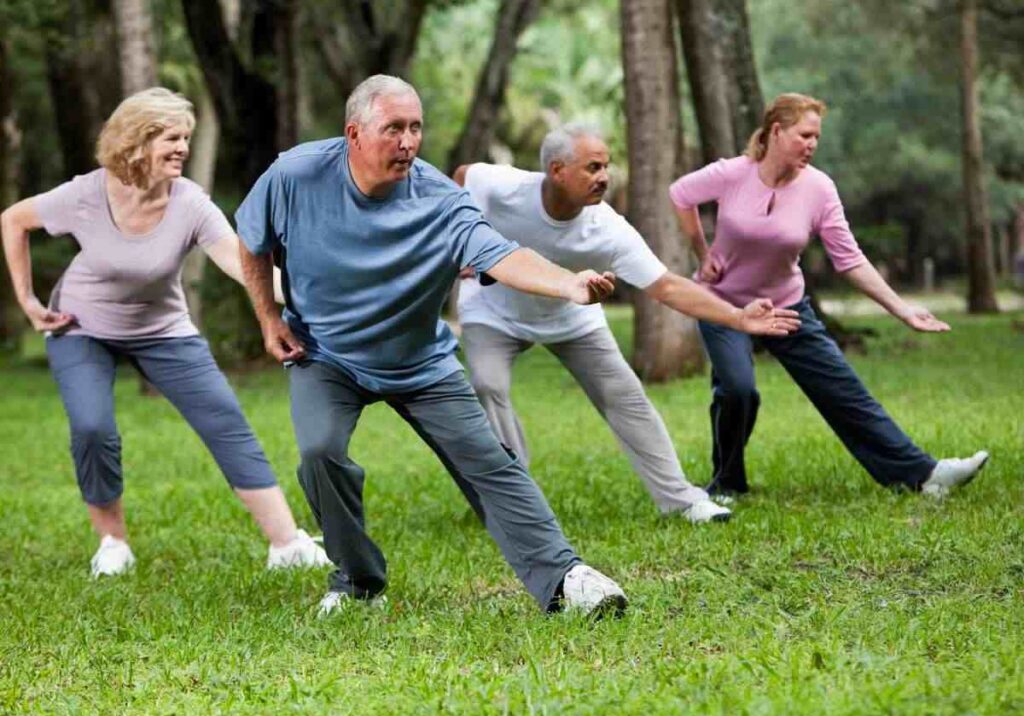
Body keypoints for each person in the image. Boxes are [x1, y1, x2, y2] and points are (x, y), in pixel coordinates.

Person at [235, 75, 628, 617]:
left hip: (419, 361)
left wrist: (568, 284)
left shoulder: (441, 199)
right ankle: (357, 582)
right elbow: (251, 240)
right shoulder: (295, 175)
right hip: (325, 353)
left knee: (491, 462)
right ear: (353, 133)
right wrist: (267, 316)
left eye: (416, 127)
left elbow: (500, 253)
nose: (408, 141)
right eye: (393, 128)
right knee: (319, 452)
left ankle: (566, 578)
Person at [0, 87, 329, 577]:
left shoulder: (190, 203)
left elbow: (244, 267)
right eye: (171, 138)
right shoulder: (87, 194)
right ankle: (113, 542)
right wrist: (27, 300)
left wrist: (316, 295)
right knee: (92, 428)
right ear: (136, 141)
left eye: (186, 138)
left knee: (225, 420)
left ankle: (287, 543)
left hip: (162, 328)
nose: (182, 148)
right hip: (81, 324)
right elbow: (14, 219)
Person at [452, 124, 800, 524]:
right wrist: (465, 238)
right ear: (557, 170)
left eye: (607, 166)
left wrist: (738, 316)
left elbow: (667, 286)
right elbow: (463, 175)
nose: (604, 177)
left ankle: (683, 500)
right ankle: (515, 501)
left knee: (628, 398)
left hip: (572, 316)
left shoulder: (608, 228)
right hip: (493, 311)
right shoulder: (506, 186)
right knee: (488, 384)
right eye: (593, 167)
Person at [669, 92, 988, 499]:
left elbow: (849, 259)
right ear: (777, 131)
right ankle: (727, 482)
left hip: (786, 306)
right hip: (724, 304)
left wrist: (902, 309)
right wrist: (703, 251)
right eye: (805, 135)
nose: (812, 145)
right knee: (737, 389)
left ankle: (926, 476)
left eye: (817, 137)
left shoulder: (819, 189)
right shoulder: (733, 174)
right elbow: (680, 194)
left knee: (843, 391)